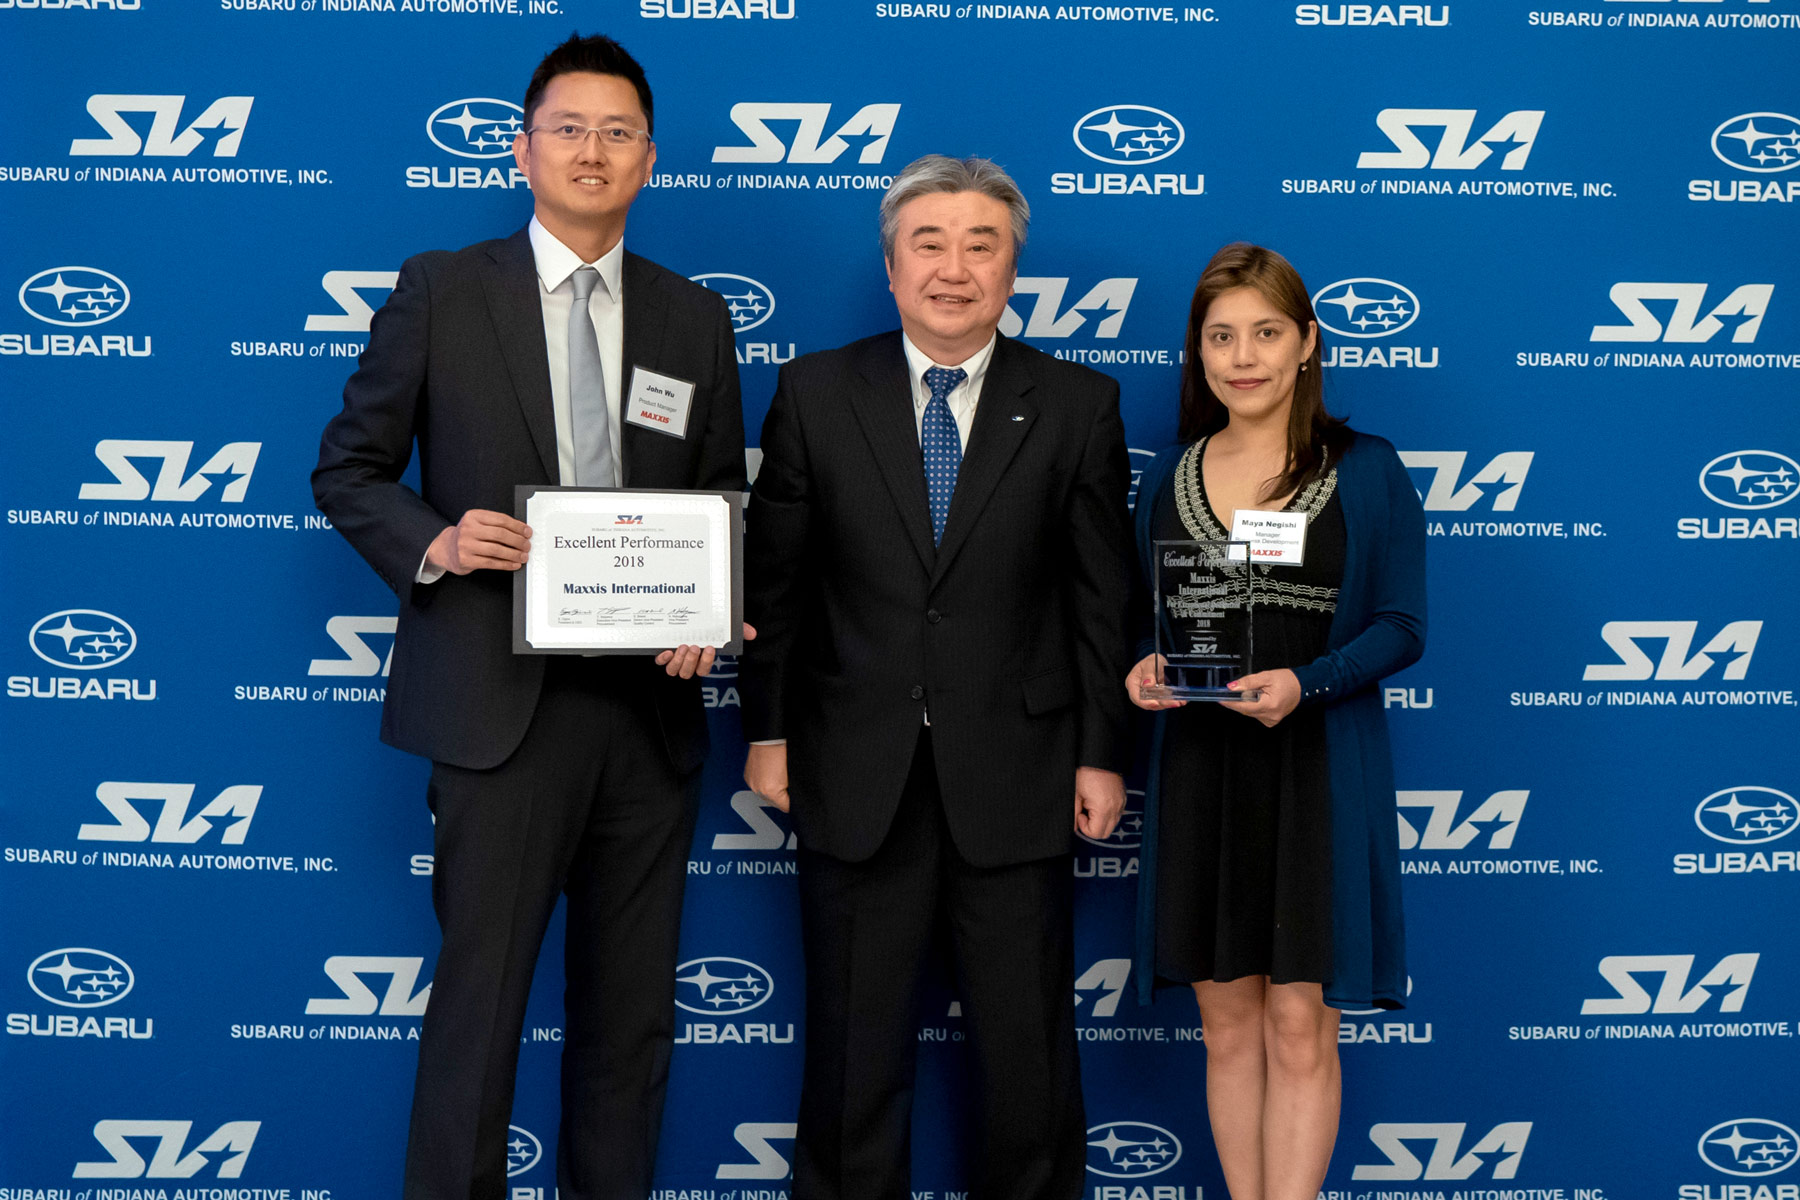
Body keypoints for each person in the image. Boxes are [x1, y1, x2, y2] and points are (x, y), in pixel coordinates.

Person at [311, 34, 746, 1200]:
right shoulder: (444, 289)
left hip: (648, 720)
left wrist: (716, 604)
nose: (591, 150)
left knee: (629, 1029)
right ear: (523, 149)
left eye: (617, 133)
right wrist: (438, 544)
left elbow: (724, 501)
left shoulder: (695, 320)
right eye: (569, 128)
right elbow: (348, 470)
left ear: (650, 160)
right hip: (496, 714)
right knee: (479, 1019)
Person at [739, 154, 1133, 1200]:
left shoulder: (1080, 404)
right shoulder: (816, 392)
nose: (954, 268)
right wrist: (767, 731)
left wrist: (1104, 754)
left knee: (1027, 1059)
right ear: (890, 265)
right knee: (851, 1060)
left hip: (1020, 772)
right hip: (852, 768)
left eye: (981, 244)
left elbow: (1103, 602)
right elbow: (776, 585)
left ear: (1013, 269)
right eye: (930, 242)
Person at [1125, 244, 1425, 1200]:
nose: (1241, 356)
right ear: (1198, 353)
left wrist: (1313, 680)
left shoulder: (1366, 469)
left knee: (1300, 1026)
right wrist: (1148, 670)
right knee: (1227, 1030)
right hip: (1203, 773)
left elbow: (1404, 626)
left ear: (1306, 345)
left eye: (1264, 332)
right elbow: (1160, 621)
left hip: (1317, 773)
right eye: (1220, 336)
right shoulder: (1170, 472)